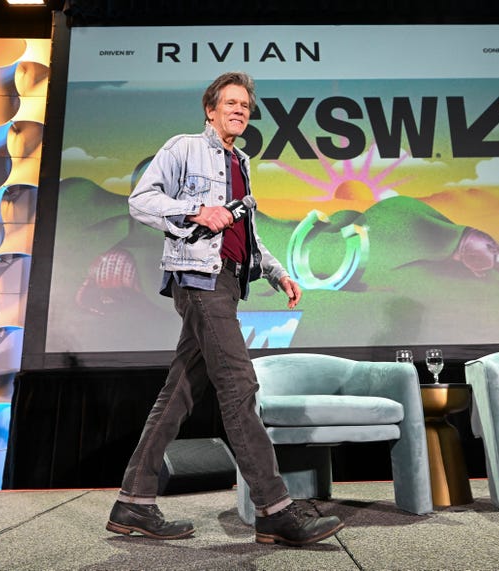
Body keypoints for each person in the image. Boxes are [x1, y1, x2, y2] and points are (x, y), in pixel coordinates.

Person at [106, 71, 344, 547]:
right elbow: (141, 201)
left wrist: (277, 272)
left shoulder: (242, 162)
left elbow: (245, 237)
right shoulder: (184, 148)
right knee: (239, 386)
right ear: (209, 110)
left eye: (245, 105)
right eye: (230, 103)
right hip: (199, 279)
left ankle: (134, 501)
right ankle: (275, 509)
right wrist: (194, 212)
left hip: (229, 281)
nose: (239, 110)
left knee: (178, 396)